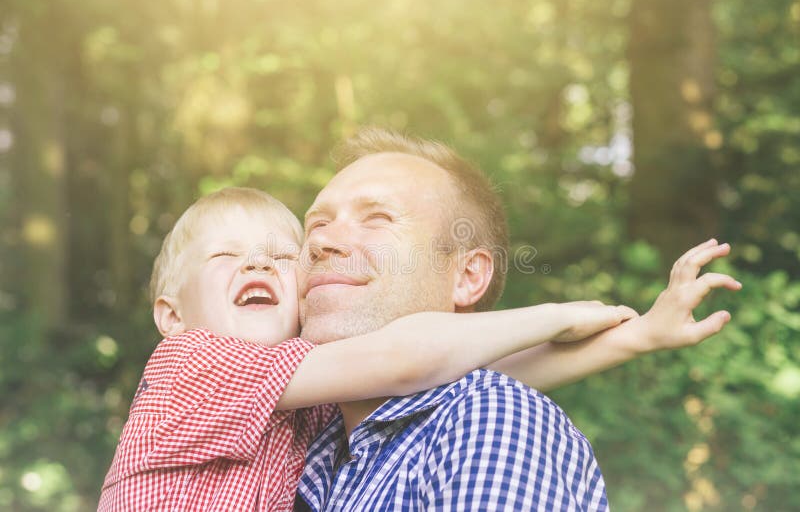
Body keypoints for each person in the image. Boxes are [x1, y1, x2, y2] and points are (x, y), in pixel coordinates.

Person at [97, 186, 637, 512]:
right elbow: (409, 360)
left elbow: (457, 375)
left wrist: (634, 339)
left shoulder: (303, 393)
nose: (258, 265)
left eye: (282, 258)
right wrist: (556, 315)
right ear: (171, 315)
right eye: (225, 256)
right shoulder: (190, 364)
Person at [295, 127, 741, 510]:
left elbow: (426, 362)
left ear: (468, 276)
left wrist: (637, 334)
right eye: (315, 224)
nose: (323, 241)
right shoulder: (305, 432)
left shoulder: (488, 421)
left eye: (377, 218)